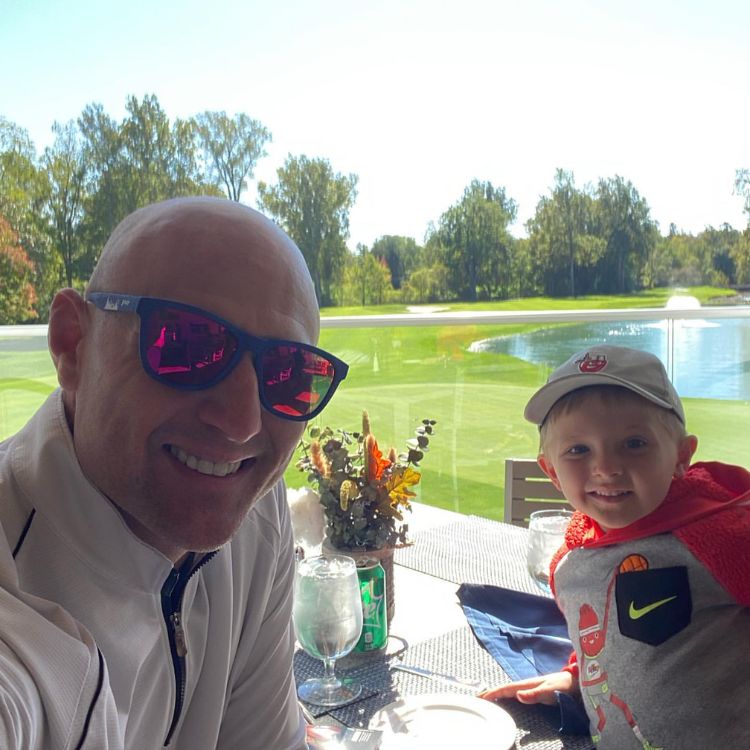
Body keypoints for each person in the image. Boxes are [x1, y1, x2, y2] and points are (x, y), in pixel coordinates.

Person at [0, 196, 350, 749]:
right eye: (186, 345)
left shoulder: (256, 514)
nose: (240, 423)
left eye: (287, 374)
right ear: (73, 344)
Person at [481, 344, 750, 749]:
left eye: (635, 443)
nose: (606, 467)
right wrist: (575, 675)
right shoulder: (570, 559)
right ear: (551, 472)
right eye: (578, 450)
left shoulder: (722, 538)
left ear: (681, 456)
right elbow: (607, 633)